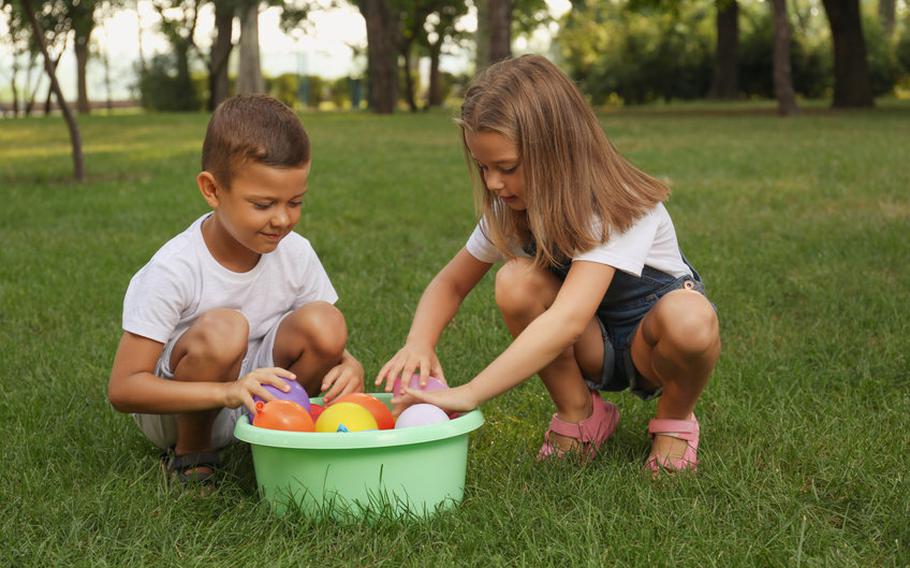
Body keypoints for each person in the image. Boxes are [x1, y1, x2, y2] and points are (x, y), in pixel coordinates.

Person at [376, 55, 720, 474]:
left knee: (691, 318)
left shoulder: (616, 204)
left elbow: (568, 320)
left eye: (507, 168)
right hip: (594, 345)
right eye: (483, 167)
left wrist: (470, 392)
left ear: (558, 151)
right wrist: (419, 341)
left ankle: (675, 420)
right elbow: (450, 284)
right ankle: (580, 414)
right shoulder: (511, 210)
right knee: (515, 281)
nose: (493, 183)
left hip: (651, 346)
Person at [108, 95, 364, 484]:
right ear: (212, 190)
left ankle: (280, 432)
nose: (282, 219)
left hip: (252, 388)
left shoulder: (295, 253)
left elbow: (326, 341)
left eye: (295, 202)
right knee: (227, 328)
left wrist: (350, 364)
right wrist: (225, 392)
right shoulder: (175, 267)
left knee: (326, 322)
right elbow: (124, 389)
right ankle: (192, 456)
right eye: (262, 204)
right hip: (179, 408)